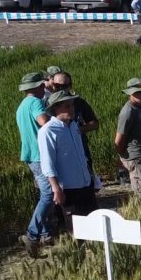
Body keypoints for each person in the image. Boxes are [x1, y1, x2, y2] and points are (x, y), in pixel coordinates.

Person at [38, 90, 97, 223]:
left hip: (85, 184)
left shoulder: (74, 126)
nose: (72, 109)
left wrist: (92, 177)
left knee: (93, 225)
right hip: (68, 189)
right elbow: (47, 164)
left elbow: (81, 155)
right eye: (67, 106)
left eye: (72, 105)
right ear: (56, 108)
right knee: (75, 230)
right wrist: (56, 189)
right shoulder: (47, 131)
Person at [15, 71, 53, 256]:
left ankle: (45, 233)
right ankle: (31, 234)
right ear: (37, 87)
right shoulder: (36, 103)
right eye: (42, 85)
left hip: (30, 155)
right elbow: (43, 122)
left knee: (42, 193)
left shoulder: (22, 106)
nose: (44, 87)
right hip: (40, 155)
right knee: (49, 193)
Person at [51, 70, 99, 181]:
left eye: (64, 86)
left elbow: (94, 123)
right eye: (57, 86)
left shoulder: (79, 103)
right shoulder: (48, 104)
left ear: (70, 86)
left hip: (81, 147)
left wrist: (77, 130)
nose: (60, 89)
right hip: (60, 152)